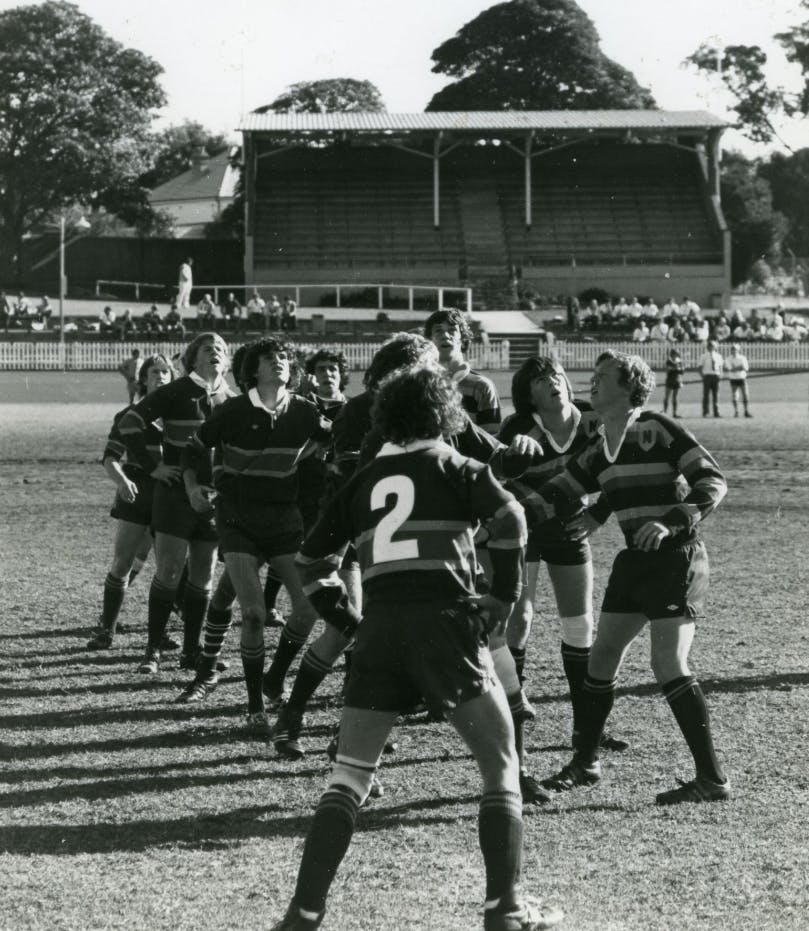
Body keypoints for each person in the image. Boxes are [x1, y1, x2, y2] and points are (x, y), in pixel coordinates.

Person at [269, 365, 563, 931]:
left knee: (349, 776)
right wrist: (501, 595)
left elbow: (311, 565)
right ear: (444, 413)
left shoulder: (359, 480)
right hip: (445, 625)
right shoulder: (457, 465)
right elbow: (512, 517)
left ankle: (303, 914)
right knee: (500, 764)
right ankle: (504, 909)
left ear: (386, 418)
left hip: (379, 629)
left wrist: (350, 622)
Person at [529, 351, 729, 806]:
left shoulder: (656, 429)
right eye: (593, 376)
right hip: (635, 561)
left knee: (667, 664)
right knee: (601, 660)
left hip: (678, 557)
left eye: (602, 377)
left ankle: (712, 778)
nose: (592, 382)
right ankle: (585, 763)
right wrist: (501, 514)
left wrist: (672, 520)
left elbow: (712, 480)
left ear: (629, 387)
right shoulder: (600, 446)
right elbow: (556, 493)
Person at [180, 338, 331, 737]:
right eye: (269, 359)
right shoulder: (232, 410)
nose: (279, 362)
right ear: (252, 369)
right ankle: (253, 707)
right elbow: (193, 449)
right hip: (237, 518)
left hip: (285, 520)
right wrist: (194, 487)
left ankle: (273, 677)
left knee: (307, 610)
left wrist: (301, 460)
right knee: (254, 614)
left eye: (283, 357)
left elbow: (332, 439)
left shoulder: (305, 411)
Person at [498, 357, 623, 801]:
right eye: (540, 379)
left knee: (580, 625)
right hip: (525, 530)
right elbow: (500, 479)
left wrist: (598, 513)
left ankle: (586, 729)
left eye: (556, 375)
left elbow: (621, 464)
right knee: (520, 619)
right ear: (526, 392)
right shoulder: (518, 426)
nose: (553, 382)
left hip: (571, 527)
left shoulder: (592, 419)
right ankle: (515, 718)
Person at [119, 332, 236, 675]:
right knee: (170, 572)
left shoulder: (233, 400)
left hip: (213, 499)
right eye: (207, 348)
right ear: (191, 358)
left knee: (202, 576)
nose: (215, 353)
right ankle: (152, 651)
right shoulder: (175, 391)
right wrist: (153, 466)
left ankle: (191, 652)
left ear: (227, 360)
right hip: (173, 496)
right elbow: (130, 423)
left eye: (220, 349)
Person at [85, 354, 177, 650]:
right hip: (137, 488)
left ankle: (159, 633)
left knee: (166, 567)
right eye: (155, 371)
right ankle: (106, 629)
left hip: (171, 491)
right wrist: (122, 481)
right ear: (144, 379)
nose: (161, 376)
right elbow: (110, 458)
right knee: (124, 560)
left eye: (166, 371)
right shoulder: (129, 415)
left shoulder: (181, 417)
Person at [425, 308, 501, 434]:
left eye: (452, 330)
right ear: (429, 340)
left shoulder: (481, 387)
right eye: (438, 330)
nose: (445, 335)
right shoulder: (421, 384)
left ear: (463, 340)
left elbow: (491, 441)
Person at [725, 343, 752, 418]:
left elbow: (746, 368)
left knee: (745, 394)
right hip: (733, 378)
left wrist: (736, 368)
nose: (734, 351)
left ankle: (746, 411)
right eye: (732, 349)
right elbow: (730, 369)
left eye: (735, 349)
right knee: (735, 395)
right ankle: (736, 411)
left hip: (742, 378)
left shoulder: (742, 358)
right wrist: (739, 367)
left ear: (738, 350)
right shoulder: (728, 358)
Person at [700, 339, 723, 417]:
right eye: (709, 346)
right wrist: (702, 375)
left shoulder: (718, 356)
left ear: (715, 347)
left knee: (716, 395)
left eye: (712, 346)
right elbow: (700, 367)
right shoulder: (703, 356)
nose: (711, 347)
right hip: (707, 376)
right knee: (706, 395)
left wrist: (720, 374)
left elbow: (720, 366)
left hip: (715, 375)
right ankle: (705, 411)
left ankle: (716, 412)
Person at [663, 348, 685, 418]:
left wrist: (679, 369)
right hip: (670, 380)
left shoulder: (679, 361)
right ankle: (665, 412)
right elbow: (668, 370)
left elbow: (682, 372)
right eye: (674, 354)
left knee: (675, 397)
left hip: (677, 380)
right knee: (667, 396)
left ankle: (675, 413)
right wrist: (675, 368)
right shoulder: (669, 361)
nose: (675, 356)